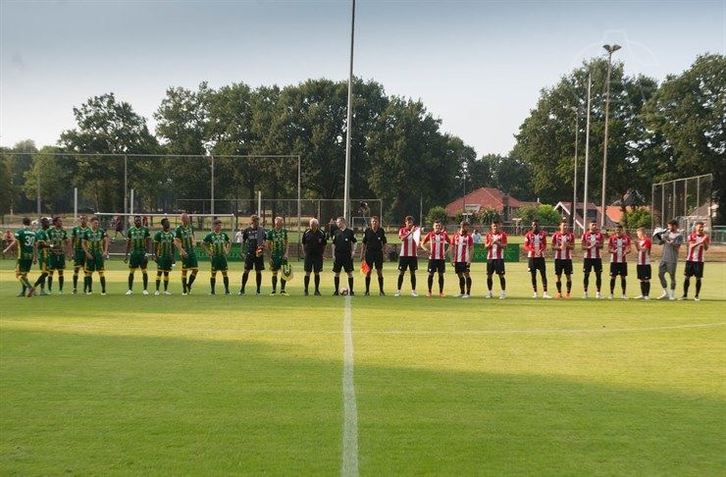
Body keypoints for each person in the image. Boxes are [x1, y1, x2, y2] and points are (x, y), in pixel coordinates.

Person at [2, 217, 36, 297]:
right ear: (30, 223)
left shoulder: (20, 232)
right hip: (30, 256)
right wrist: (35, 257)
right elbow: (35, 245)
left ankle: (30, 287)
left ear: (23, 223)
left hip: (22, 256)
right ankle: (23, 292)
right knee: (24, 275)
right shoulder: (33, 233)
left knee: (18, 274)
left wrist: (6, 249)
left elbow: (14, 242)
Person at [681, 221, 710, 301]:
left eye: (702, 227)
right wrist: (700, 242)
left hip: (699, 261)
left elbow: (706, 248)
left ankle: (696, 296)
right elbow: (691, 246)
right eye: (699, 226)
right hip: (690, 260)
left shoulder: (705, 237)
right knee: (687, 277)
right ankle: (685, 295)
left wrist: (704, 242)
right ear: (696, 227)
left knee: (698, 278)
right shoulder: (691, 236)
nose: (701, 228)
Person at [124, 215, 151, 295]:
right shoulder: (130, 230)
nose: (138, 221)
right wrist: (126, 255)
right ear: (134, 221)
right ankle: (130, 289)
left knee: (144, 271)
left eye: (139, 220)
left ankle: (145, 289)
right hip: (134, 254)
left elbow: (148, 242)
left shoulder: (145, 230)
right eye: (136, 220)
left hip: (142, 253)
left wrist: (147, 253)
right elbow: (128, 243)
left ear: (141, 221)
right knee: (131, 271)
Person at [421, 220, 449, 297]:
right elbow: (422, 244)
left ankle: (441, 292)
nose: (437, 227)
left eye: (439, 226)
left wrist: (446, 252)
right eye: (436, 226)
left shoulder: (444, 235)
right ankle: (429, 292)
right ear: (433, 227)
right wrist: (427, 250)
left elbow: (451, 244)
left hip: (441, 258)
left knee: (441, 275)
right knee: (431, 274)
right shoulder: (430, 234)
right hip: (432, 258)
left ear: (441, 227)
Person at [360, 216, 387, 296]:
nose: (374, 223)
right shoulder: (367, 231)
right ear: (370, 222)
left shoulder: (381, 231)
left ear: (378, 222)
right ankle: (367, 291)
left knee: (379, 272)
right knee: (368, 272)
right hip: (369, 253)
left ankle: (381, 291)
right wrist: (362, 254)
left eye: (376, 221)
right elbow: (364, 243)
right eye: (373, 221)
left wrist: (384, 253)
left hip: (378, 253)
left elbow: (384, 243)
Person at [239, 215, 266, 295]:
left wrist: (262, 248)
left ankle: (258, 290)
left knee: (258, 271)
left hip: (258, 253)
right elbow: (243, 241)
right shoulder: (247, 230)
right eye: (254, 221)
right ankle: (242, 289)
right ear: (252, 221)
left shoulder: (261, 230)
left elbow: (265, 241)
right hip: (250, 253)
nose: (256, 222)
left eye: (257, 221)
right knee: (246, 270)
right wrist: (242, 251)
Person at [656, 219, 682, 300]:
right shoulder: (667, 233)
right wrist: (659, 235)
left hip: (672, 259)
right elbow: (660, 243)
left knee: (672, 276)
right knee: (660, 275)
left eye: (670, 226)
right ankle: (666, 293)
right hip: (664, 258)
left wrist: (667, 239)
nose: (668, 227)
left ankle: (672, 294)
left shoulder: (679, 235)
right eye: (668, 226)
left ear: (675, 226)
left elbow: (677, 246)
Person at [524, 220, 551, 299]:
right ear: (531, 225)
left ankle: (545, 293)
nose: (535, 226)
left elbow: (545, 244)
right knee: (533, 275)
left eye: (536, 225)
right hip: (532, 257)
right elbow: (526, 246)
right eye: (533, 225)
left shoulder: (542, 234)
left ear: (538, 225)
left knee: (543, 275)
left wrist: (541, 250)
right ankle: (535, 293)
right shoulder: (528, 235)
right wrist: (533, 250)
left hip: (541, 257)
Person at [82, 216, 109, 295]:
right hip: (90, 253)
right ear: (91, 223)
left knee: (101, 272)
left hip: (98, 253)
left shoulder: (101, 231)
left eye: (97, 223)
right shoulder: (87, 232)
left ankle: (103, 290)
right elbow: (83, 243)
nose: (96, 224)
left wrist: (105, 251)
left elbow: (106, 240)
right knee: (89, 272)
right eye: (95, 223)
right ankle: (90, 290)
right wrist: (87, 253)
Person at [204, 219, 231, 295]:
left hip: (222, 257)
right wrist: (208, 252)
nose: (219, 227)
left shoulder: (223, 235)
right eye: (218, 225)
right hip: (215, 257)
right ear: (214, 226)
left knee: (225, 273)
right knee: (213, 274)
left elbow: (229, 242)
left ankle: (227, 291)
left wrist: (227, 250)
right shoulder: (210, 235)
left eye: (220, 225)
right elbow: (203, 243)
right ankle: (212, 291)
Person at [174, 213, 198, 295]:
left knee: (195, 269)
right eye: (186, 218)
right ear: (182, 219)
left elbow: (194, 235)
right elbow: (176, 242)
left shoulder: (191, 227)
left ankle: (189, 285)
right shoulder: (178, 229)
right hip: (185, 252)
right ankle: (184, 290)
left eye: (188, 218)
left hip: (192, 251)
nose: (188, 220)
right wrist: (182, 251)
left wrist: (194, 242)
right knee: (184, 271)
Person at [302, 218, 327, 296]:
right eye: (311, 224)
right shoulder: (306, 232)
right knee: (307, 273)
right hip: (308, 256)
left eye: (313, 224)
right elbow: (303, 243)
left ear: (317, 225)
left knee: (317, 272)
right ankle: (306, 290)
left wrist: (322, 254)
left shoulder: (321, 233)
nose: (311, 226)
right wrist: (304, 253)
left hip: (318, 256)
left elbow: (324, 244)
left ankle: (316, 290)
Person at [332, 216, 356, 296]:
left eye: (338, 222)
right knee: (336, 273)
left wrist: (353, 252)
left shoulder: (350, 232)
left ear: (343, 222)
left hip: (347, 255)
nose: (337, 223)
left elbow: (354, 242)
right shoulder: (336, 232)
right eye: (337, 222)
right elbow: (333, 244)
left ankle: (351, 291)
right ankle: (336, 291)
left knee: (349, 273)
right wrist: (333, 255)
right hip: (338, 255)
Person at [396, 216, 420, 297]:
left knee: (413, 273)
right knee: (401, 272)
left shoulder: (416, 230)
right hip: (404, 255)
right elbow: (402, 238)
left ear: (413, 223)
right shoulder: (402, 230)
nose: (409, 223)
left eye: (411, 222)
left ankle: (413, 291)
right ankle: (398, 290)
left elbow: (419, 240)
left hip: (413, 255)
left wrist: (416, 232)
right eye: (408, 222)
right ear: (405, 222)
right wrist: (410, 232)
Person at [551, 220, 575, 299]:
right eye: (563, 225)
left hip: (568, 259)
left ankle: (568, 293)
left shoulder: (571, 235)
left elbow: (573, 247)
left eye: (566, 226)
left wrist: (567, 245)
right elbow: (552, 247)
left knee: (568, 276)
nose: (565, 227)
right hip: (558, 259)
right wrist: (560, 247)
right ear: (560, 226)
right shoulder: (555, 235)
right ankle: (559, 293)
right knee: (558, 277)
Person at [46, 216, 70, 294]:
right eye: (60, 221)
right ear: (55, 222)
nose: (61, 223)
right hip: (52, 254)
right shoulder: (50, 231)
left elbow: (67, 242)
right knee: (51, 272)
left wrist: (67, 252)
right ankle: (49, 290)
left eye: (61, 221)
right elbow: (48, 243)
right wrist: (52, 249)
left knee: (61, 272)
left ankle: (60, 290)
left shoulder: (63, 231)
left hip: (61, 254)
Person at [484, 221, 507, 299]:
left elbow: (504, 246)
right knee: (489, 276)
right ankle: (489, 292)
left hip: (499, 258)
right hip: (490, 258)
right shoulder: (488, 235)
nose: (495, 227)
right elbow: (486, 246)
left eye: (496, 226)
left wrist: (497, 243)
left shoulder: (502, 235)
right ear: (491, 226)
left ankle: (503, 293)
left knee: (501, 275)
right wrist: (491, 243)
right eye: (494, 226)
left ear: (499, 226)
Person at [607, 224, 631, 300]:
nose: (618, 231)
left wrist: (626, 252)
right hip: (614, 261)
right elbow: (609, 249)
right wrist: (613, 251)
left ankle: (623, 294)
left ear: (622, 230)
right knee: (613, 277)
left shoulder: (626, 238)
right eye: (617, 230)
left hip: (623, 261)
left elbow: (629, 248)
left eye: (620, 230)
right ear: (615, 230)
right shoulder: (612, 238)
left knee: (623, 277)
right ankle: (611, 293)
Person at [581, 221, 605, 299]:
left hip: (597, 258)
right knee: (586, 275)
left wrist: (597, 245)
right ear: (589, 226)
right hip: (588, 258)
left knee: (598, 275)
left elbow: (602, 246)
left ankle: (598, 293)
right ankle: (585, 292)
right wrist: (588, 247)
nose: (594, 226)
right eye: (593, 225)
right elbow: (582, 246)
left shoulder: (600, 235)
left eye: (595, 225)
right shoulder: (585, 235)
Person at [267, 217, 289, 296]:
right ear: (275, 223)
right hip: (274, 255)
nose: (280, 224)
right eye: (278, 223)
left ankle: (282, 290)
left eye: (281, 223)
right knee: (274, 273)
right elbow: (267, 245)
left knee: (284, 273)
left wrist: (286, 253)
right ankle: (273, 290)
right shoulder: (270, 232)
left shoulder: (284, 232)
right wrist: (269, 257)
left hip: (283, 255)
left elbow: (287, 243)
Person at [153, 218, 176, 295]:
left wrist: (173, 257)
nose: (168, 224)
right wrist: (155, 256)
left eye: (168, 222)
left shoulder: (171, 234)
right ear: (163, 224)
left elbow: (173, 247)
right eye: (166, 223)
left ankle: (165, 290)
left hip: (168, 257)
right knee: (159, 272)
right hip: (161, 256)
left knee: (166, 273)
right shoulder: (158, 234)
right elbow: (155, 246)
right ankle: (157, 290)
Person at [451, 221, 474, 298]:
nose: (467, 228)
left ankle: (468, 293)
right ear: (462, 226)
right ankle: (462, 292)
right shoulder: (455, 236)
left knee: (467, 275)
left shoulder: (469, 237)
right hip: (457, 260)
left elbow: (471, 249)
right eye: (466, 227)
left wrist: (469, 260)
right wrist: (452, 259)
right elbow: (452, 248)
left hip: (465, 260)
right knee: (460, 275)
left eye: (468, 227)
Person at [31, 217, 51, 295]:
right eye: (47, 222)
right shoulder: (40, 232)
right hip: (43, 255)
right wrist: (52, 246)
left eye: (48, 222)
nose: (48, 224)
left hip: (47, 254)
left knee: (45, 273)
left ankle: (42, 290)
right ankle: (34, 287)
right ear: (43, 224)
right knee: (45, 273)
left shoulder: (46, 232)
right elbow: (41, 245)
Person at [71, 215, 90, 294]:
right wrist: (72, 252)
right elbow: (72, 241)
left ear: (87, 220)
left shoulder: (89, 230)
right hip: (78, 251)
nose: (83, 220)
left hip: (86, 252)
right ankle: (74, 288)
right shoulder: (75, 229)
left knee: (86, 271)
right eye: (81, 219)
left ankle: (85, 289)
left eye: (84, 219)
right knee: (76, 270)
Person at [634, 227, 652, 300]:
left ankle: (647, 295)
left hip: (646, 263)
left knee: (646, 279)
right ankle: (642, 294)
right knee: (641, 279)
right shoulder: (640, 241)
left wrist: (637, 244)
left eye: (638, 233)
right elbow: (639, 251)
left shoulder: (647, 240)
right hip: (640, 263)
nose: (637, 234)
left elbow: (644, 250)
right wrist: (636, 245)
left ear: (642, 232)